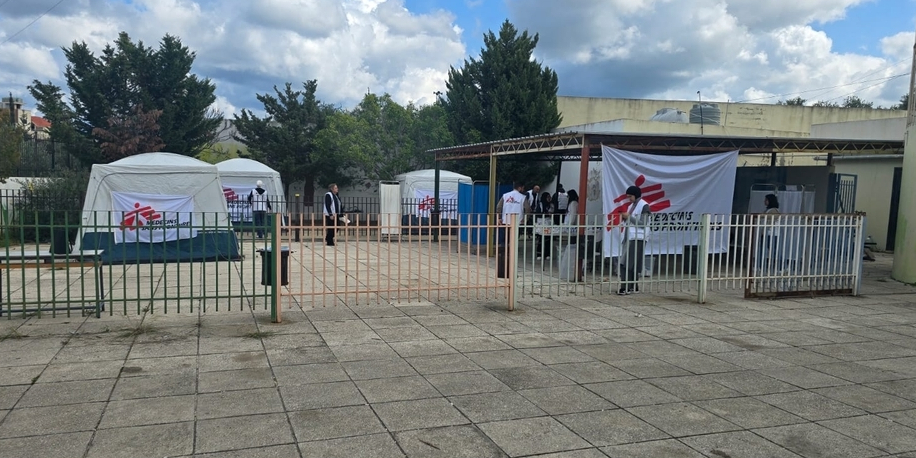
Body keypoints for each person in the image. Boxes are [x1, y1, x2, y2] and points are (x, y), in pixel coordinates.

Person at [618, 185, 651, 295]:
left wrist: (628, 217)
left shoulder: (644, 206)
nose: (629, 199)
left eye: (630, 196)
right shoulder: (632, 205)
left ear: (635, 195)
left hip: (638, 237)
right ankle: (633, 285)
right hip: (630, 237)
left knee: (626, 263)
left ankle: (625, 286)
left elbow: (643, 223)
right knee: (632, 263)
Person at [535, 191, 554, 260]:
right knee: (541, 238)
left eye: (550, 197)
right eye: (548, 197)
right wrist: (546, 214)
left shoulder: (551, 205)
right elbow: (538, 213)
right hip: (541, 222)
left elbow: (552, 211)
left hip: (548, 223)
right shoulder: (540, 204)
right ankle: (539, 254)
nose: (549, 198)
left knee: (548, 239)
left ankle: (547, 254)